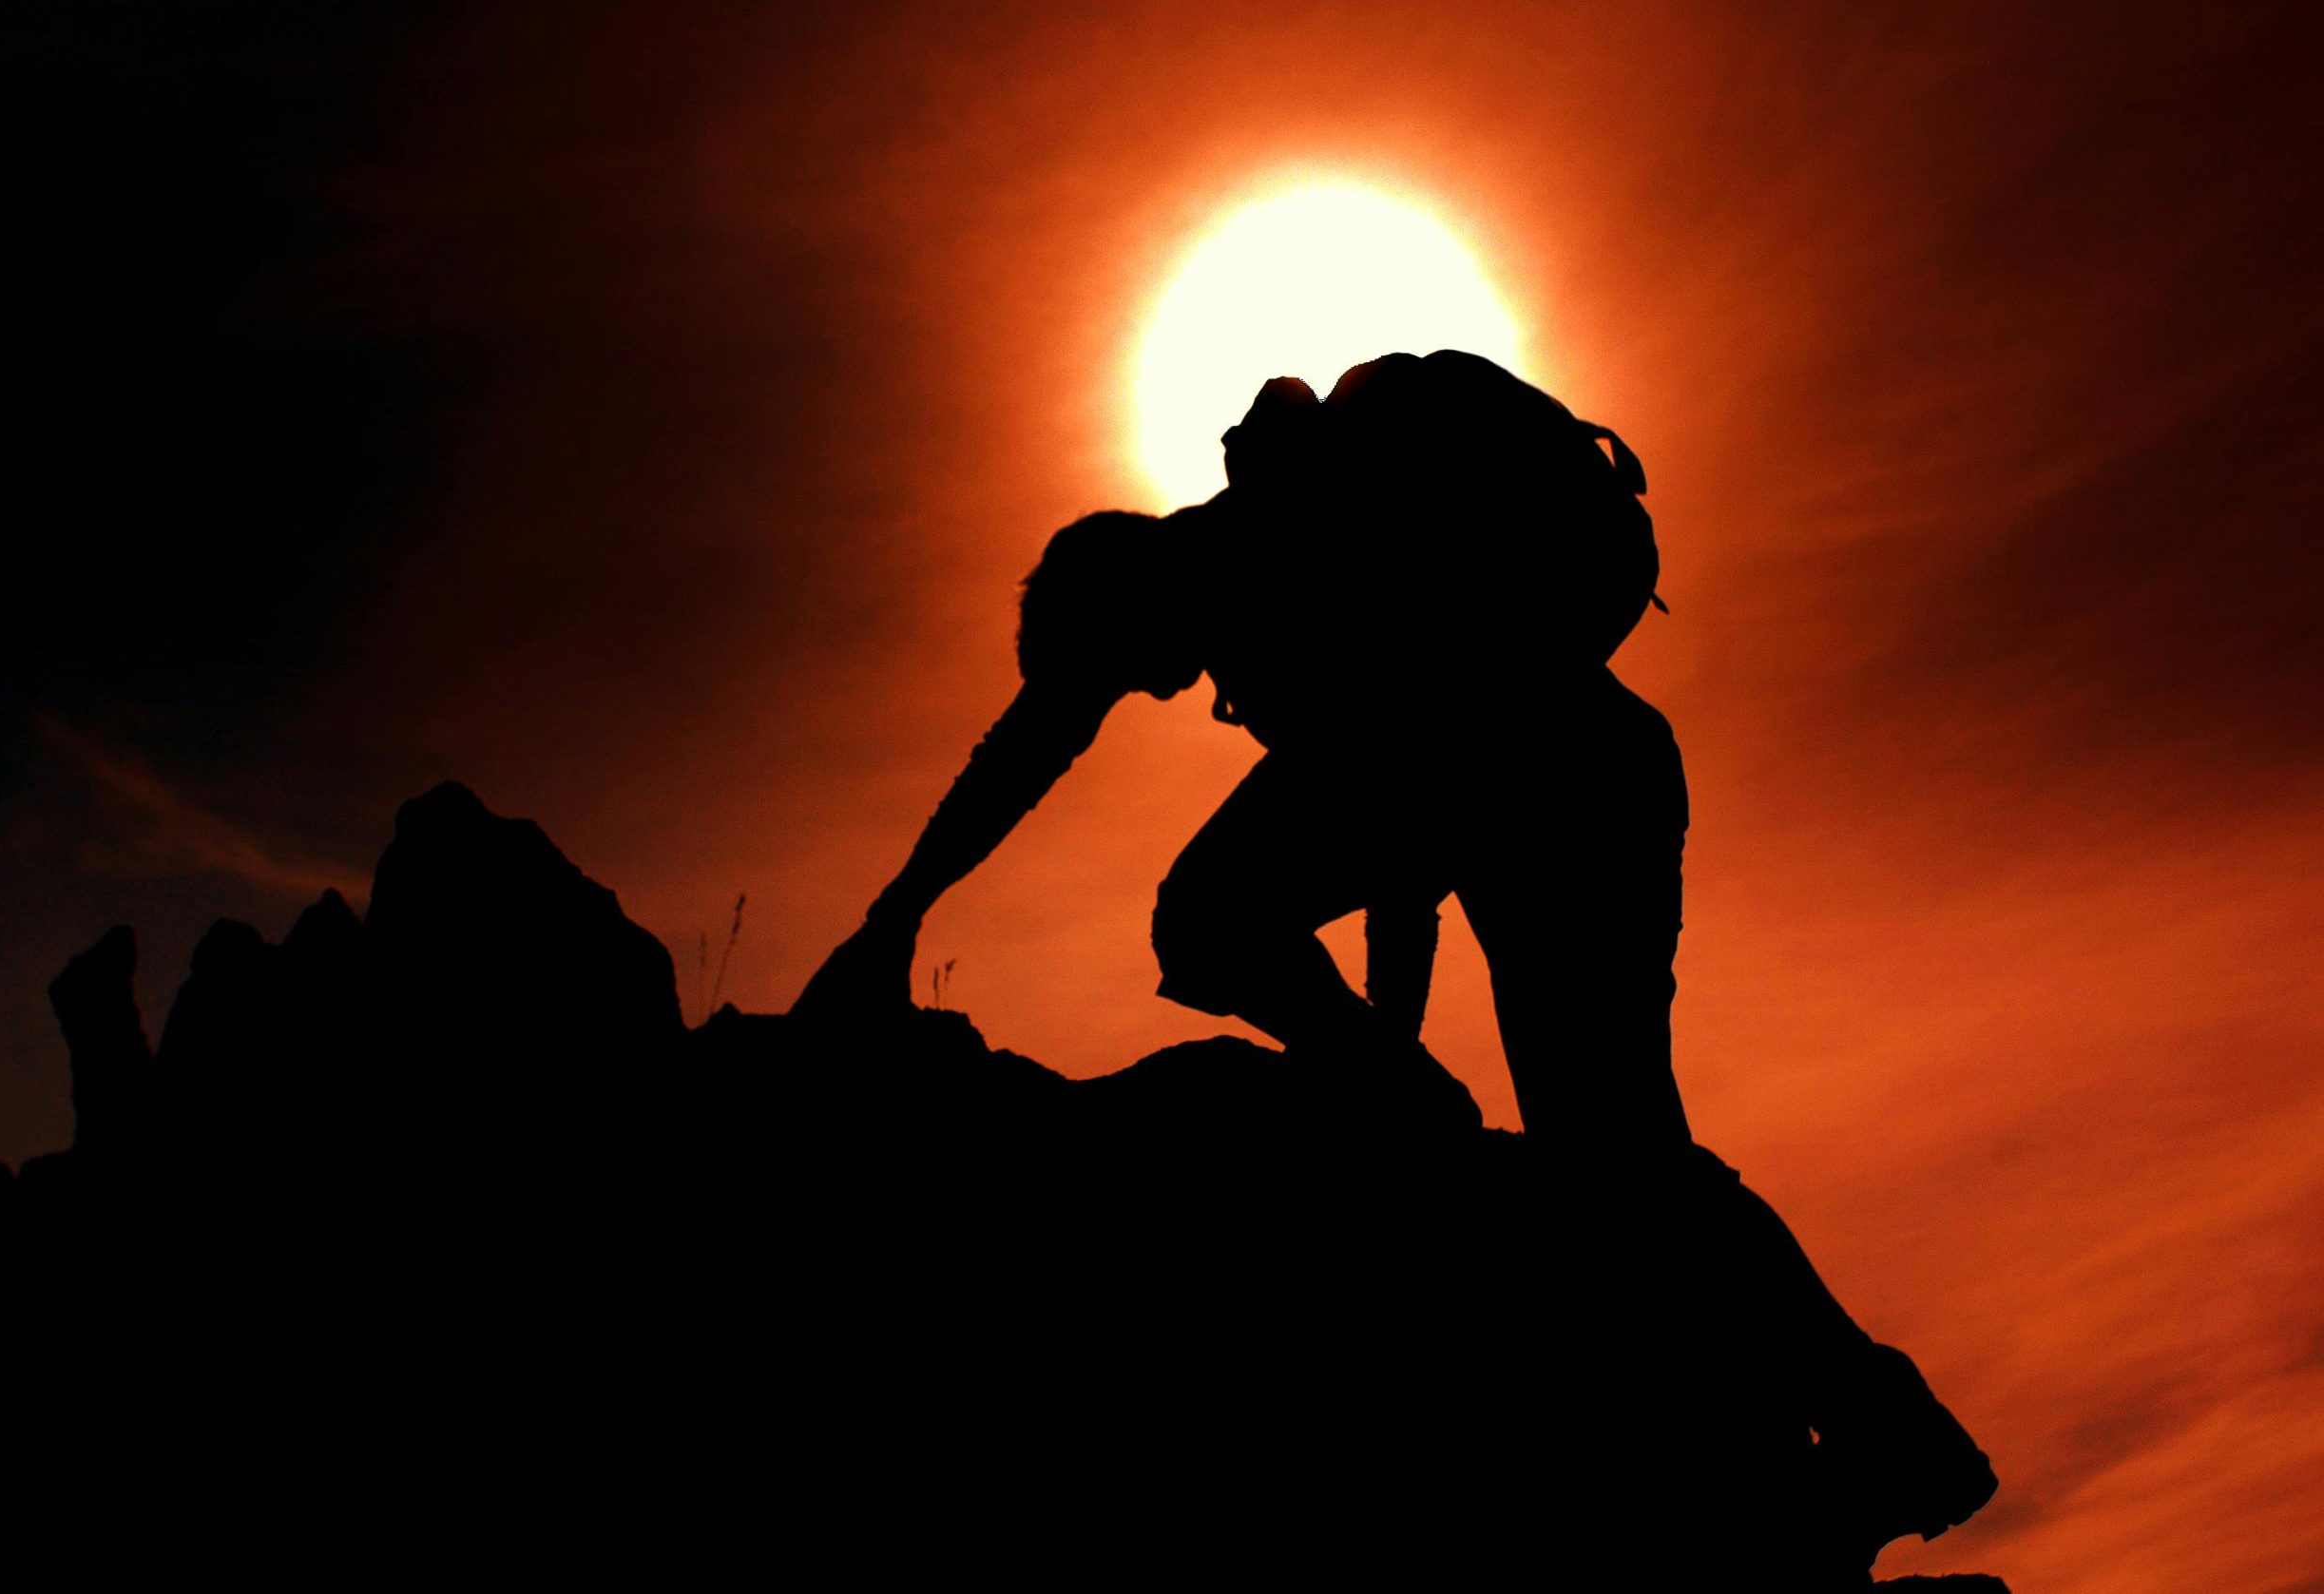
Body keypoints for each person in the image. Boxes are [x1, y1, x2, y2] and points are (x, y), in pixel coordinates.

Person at [793, 351, 1995, 1569]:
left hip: (1566, 784)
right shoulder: (1252, 572)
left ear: (1121, 595)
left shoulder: (1274, 563)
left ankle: (1869, 1431)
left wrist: (1388, 1074)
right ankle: (1878, 1431)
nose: (1141, 697)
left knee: (1226, 921)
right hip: (1596, 776)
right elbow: (1084, 758)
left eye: (1119, 670)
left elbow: (1399, 824)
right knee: (1616, 1158)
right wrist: (896, 913)